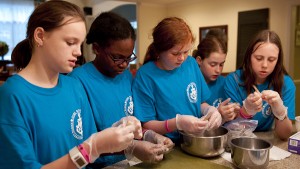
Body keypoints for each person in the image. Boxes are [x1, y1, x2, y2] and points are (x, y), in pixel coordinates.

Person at [0, 1, 142, 169]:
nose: (79, 52)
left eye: (80, 44)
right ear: (40, 36)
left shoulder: (73, 87)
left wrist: (118, 133)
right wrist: (93, 148)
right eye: (70, 42)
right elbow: (87, 150)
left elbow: (88, 146)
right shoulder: (13, 95)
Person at [69, 12, 174, 168]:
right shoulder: (77, 81)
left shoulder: (125, 76)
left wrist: (149, 135)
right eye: (117, 58)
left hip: (128, 162)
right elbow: (83, 145)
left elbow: (132, 123)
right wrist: (131, 148)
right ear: (97, 48)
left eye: (129, 57)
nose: (124, 65)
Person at [132, 17, 223, 144]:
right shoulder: (145, 76)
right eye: (175, 53)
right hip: (165, 144)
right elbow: (147, 123)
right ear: (159, 51)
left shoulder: (190, 64)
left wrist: (210, 110)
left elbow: (200, 102)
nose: (182, 58)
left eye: (186, 51)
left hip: (193, 140)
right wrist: (177, 123)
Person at [224, 30, 296, 140]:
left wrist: (280, 112)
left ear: (278, 60)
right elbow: (230, 130)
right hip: (239, 139)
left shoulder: (286, 84)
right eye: (258, 58)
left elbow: (284, 135)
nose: (265, 65)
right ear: (249, 56)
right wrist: (245, 111)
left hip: (268, 140)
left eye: (271, 60)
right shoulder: (233, 80)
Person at [193, 29, 240, 123]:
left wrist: (232, 112)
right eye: (213, 64)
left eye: (221, 64)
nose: (218, 70)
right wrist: (217, 113)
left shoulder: (225, 83)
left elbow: (234, 117)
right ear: (199, 60)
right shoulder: (191, 85)